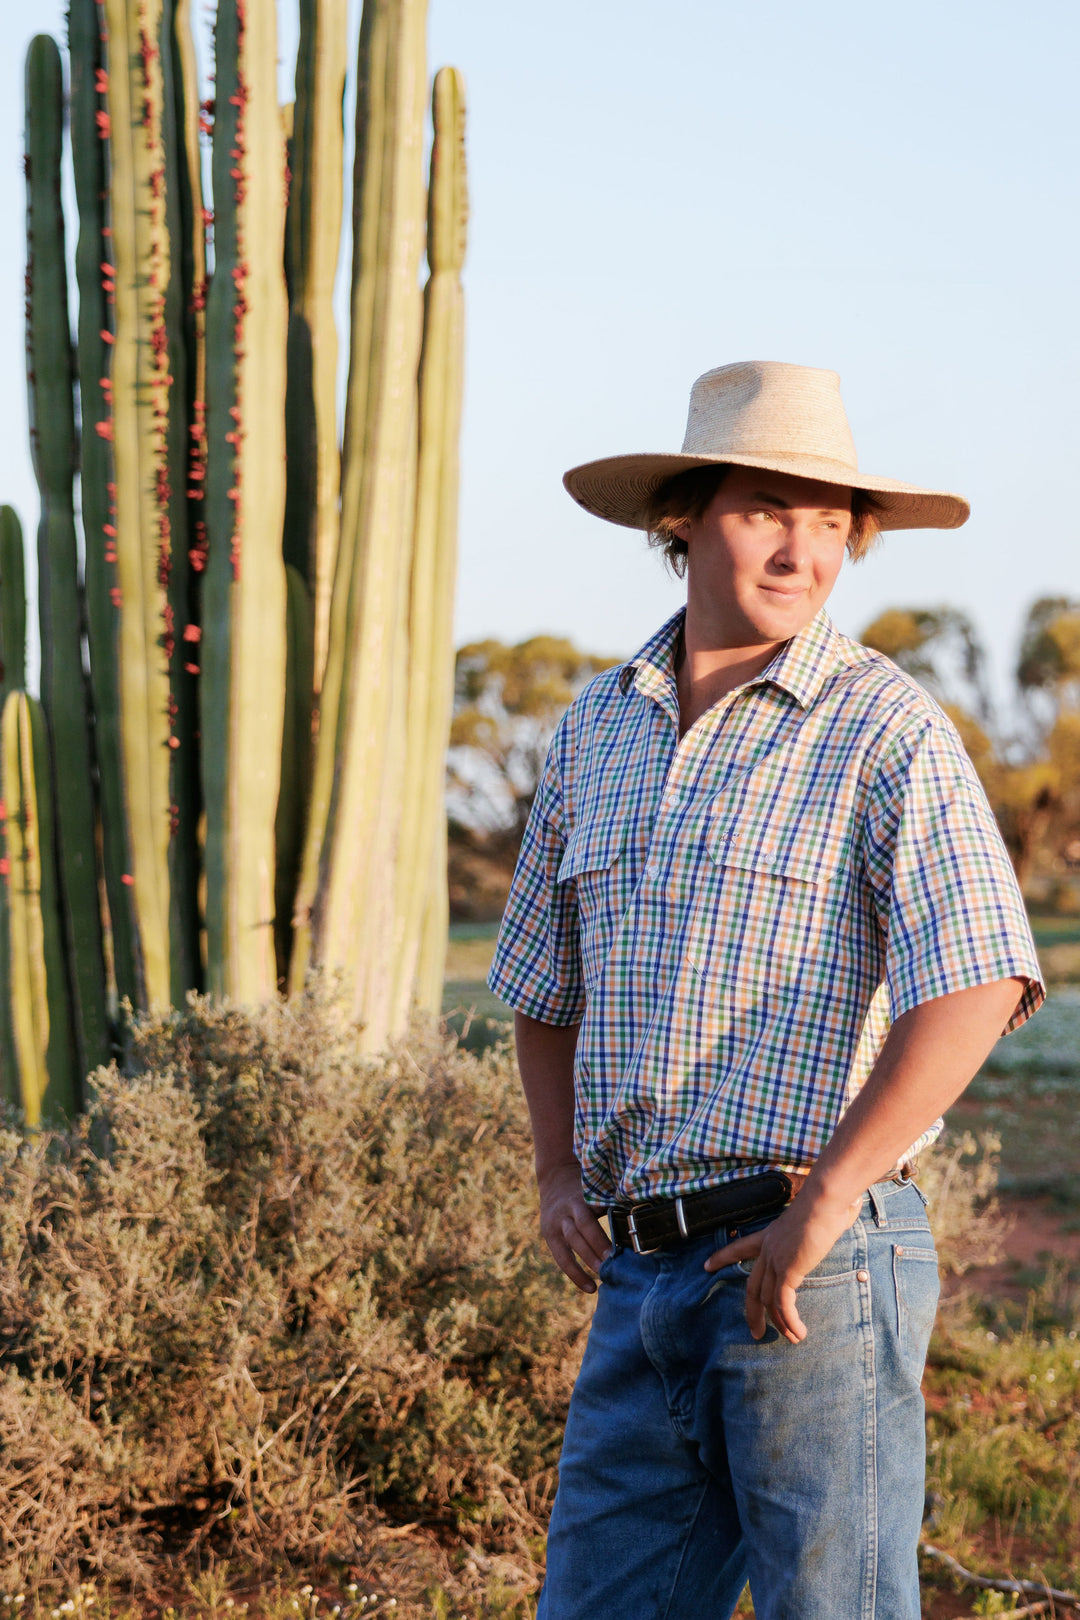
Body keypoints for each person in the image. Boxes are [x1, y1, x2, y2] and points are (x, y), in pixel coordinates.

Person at [486, 361, 1044, 1620]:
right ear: (681, 520)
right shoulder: (592, 731)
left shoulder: (884, 728)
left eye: (830, 523)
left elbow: (979, 979)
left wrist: (827, 1206)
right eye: (764, 510)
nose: (801, 549)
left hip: (818, 1267)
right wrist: (557, 1175)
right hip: (640, 1280)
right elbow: (539, 978)